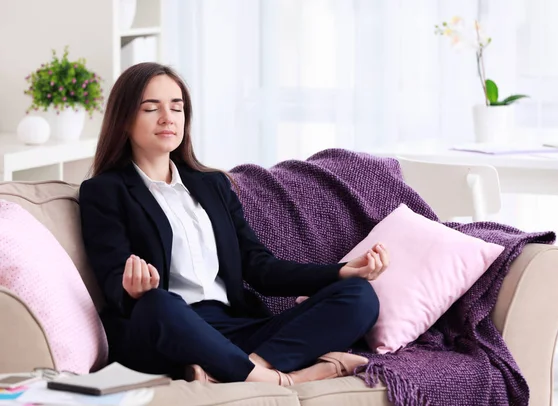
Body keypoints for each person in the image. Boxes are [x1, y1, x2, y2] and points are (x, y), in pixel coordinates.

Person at [78, 62, 389, 386]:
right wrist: (131, 289)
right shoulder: (103, 191)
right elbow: (112, 276)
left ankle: (240, 369)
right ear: (125, 120)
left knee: (359, 295)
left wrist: (340, 272)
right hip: (169, 328)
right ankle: (281, 380)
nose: (168, 117)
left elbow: (259, 267)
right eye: (151, 108)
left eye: (177, 107)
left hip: (236, 329)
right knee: (156, 302)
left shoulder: (212, 185)